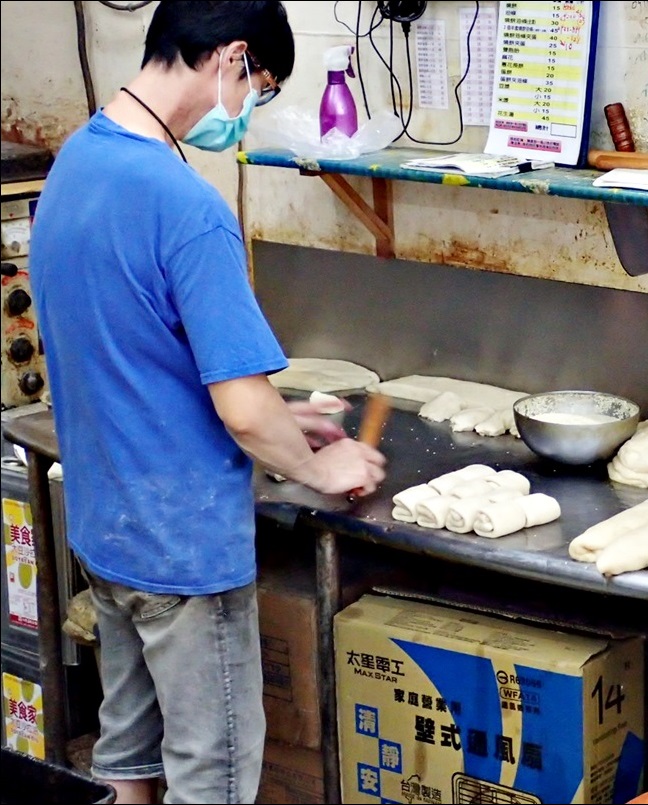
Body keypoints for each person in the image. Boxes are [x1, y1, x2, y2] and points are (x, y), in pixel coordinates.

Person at [28, 3, 386, 803]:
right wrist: (316, 463)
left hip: (108, 527)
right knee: (210, 778)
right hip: (182, 550)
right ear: (230, 58)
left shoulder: (77, 164)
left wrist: (284, 416)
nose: (250, 108)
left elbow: (132, 351)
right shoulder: (188, 210)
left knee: (126, 756)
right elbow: (243, 412)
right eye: (260, 86)